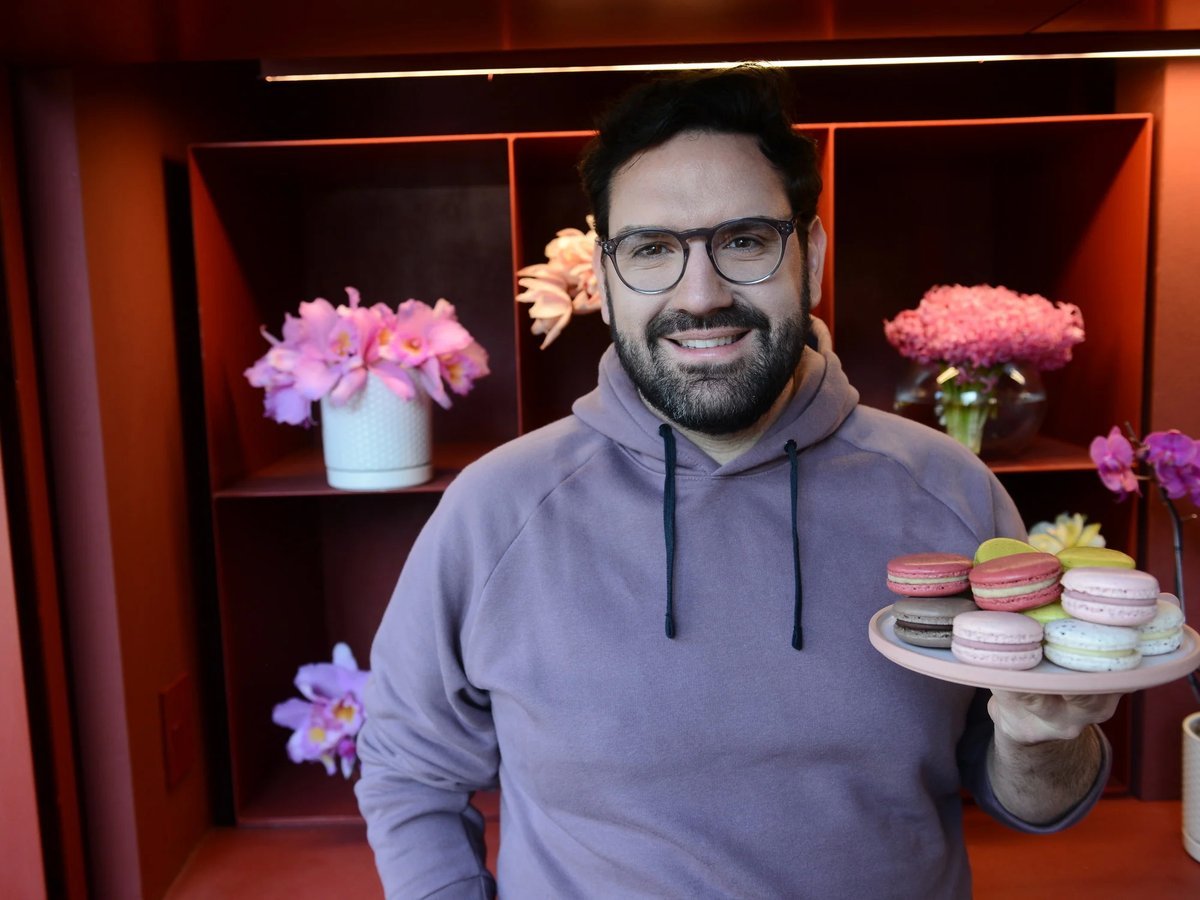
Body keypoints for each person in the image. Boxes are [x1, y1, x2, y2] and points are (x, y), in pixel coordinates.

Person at [355, 64, 1119, 898]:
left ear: (811, 258)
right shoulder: (494, 512)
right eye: (652, 249)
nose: (701, 295)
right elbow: (408, 773)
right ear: (604, 281)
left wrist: (1043, 737)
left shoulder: (951, 493)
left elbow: (1035, 800)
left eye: (745, 241)